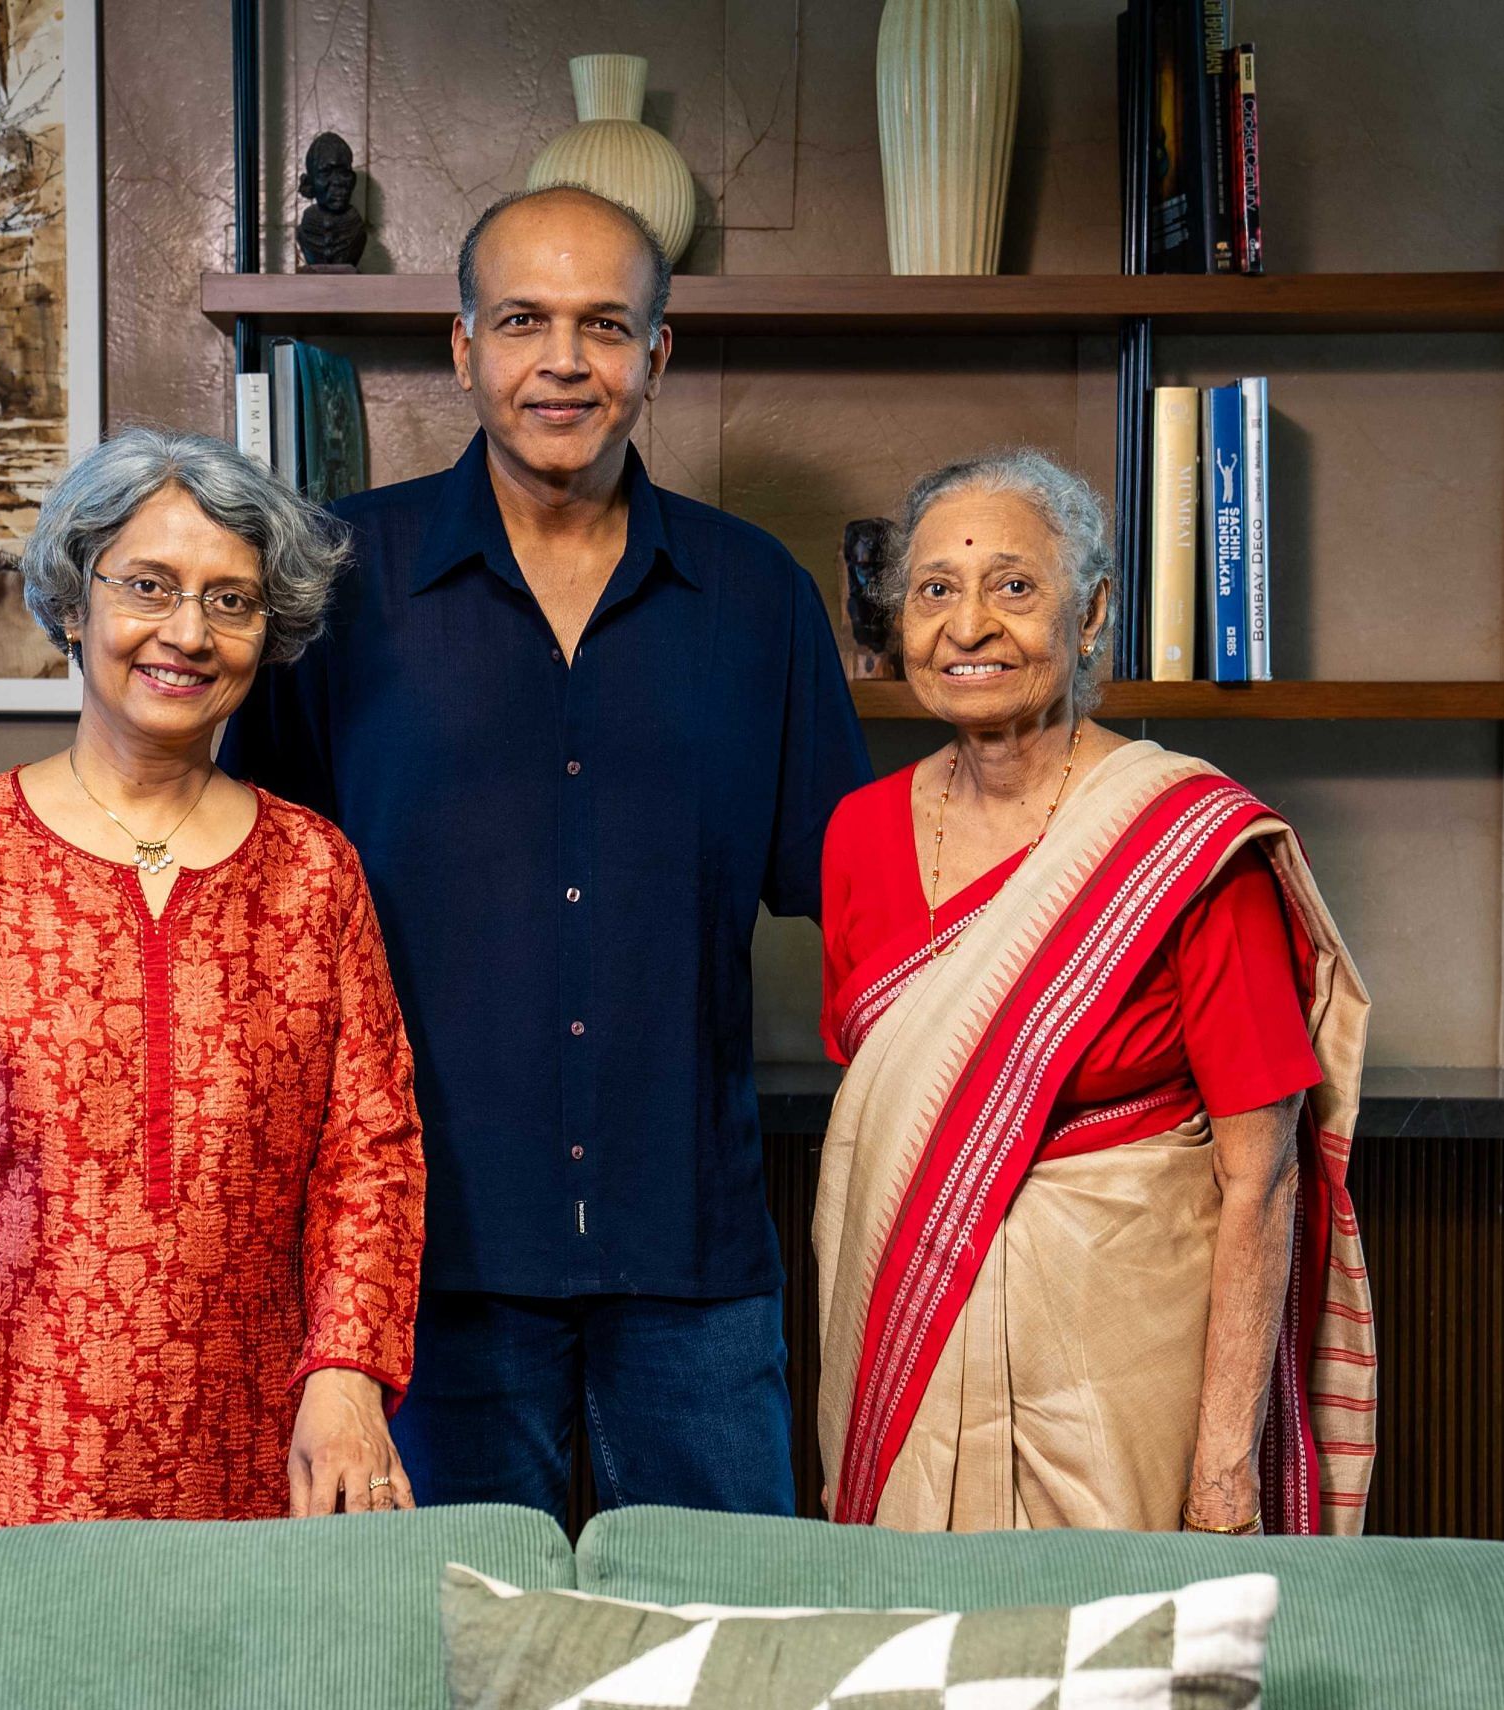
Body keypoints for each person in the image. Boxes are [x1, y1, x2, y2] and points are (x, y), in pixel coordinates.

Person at [223, 186, 871, 1520]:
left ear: (657, 357)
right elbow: (255, 907)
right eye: (523, 320)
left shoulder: (760, 601)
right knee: (428, 1649)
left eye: (603, 325)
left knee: (725, 1648)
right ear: (463, 348)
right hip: (421, 1269)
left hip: (689, 1254)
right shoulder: (337, 583)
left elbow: (855, 889)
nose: (562, 360)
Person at [0, 429, 424, 1533]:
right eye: (149, 587)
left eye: (231, 602)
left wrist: (348, 1378)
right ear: (75, 605)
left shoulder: (314, 870)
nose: (187, 633)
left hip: (257, 1469)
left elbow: (369, 1155)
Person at [811, 449, 1375, 1537]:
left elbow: (1258, 1184)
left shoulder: (1185, 843)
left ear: (1090, 613)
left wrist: (1220, 1473)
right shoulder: (859, 836)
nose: (967, 626)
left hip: (1129, 1366)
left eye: (1013, 586)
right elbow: (905, 1123)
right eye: (935, 590)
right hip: (918, 1342)